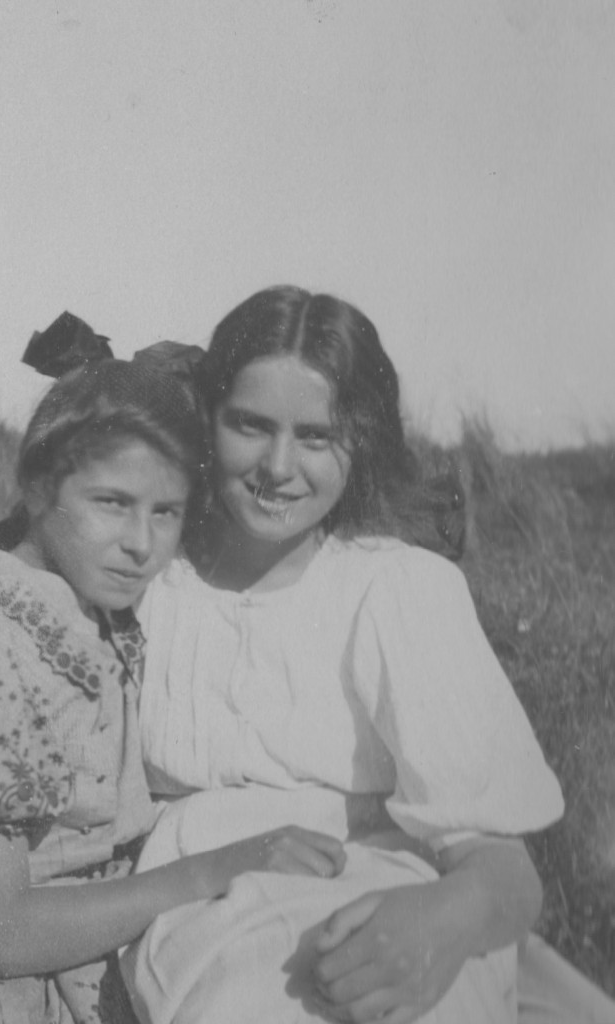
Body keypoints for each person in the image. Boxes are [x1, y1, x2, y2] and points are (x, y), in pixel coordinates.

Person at [0, 326, 347, 1024]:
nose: (141, 544)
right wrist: (211, 869)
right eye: (112, 502)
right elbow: (1, 933)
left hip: (77, 936)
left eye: (166, 512)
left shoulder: (90, 605)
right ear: (39, 488)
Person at [120, 285, 571, 1024]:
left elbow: (505, 878)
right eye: (250, 425)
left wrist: (438, 925)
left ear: (360, 443)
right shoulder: (151, 584)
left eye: (317, 436)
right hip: (212, 909)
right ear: (208, 420)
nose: (278, 465)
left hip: (396, 906)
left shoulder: (400, 588)